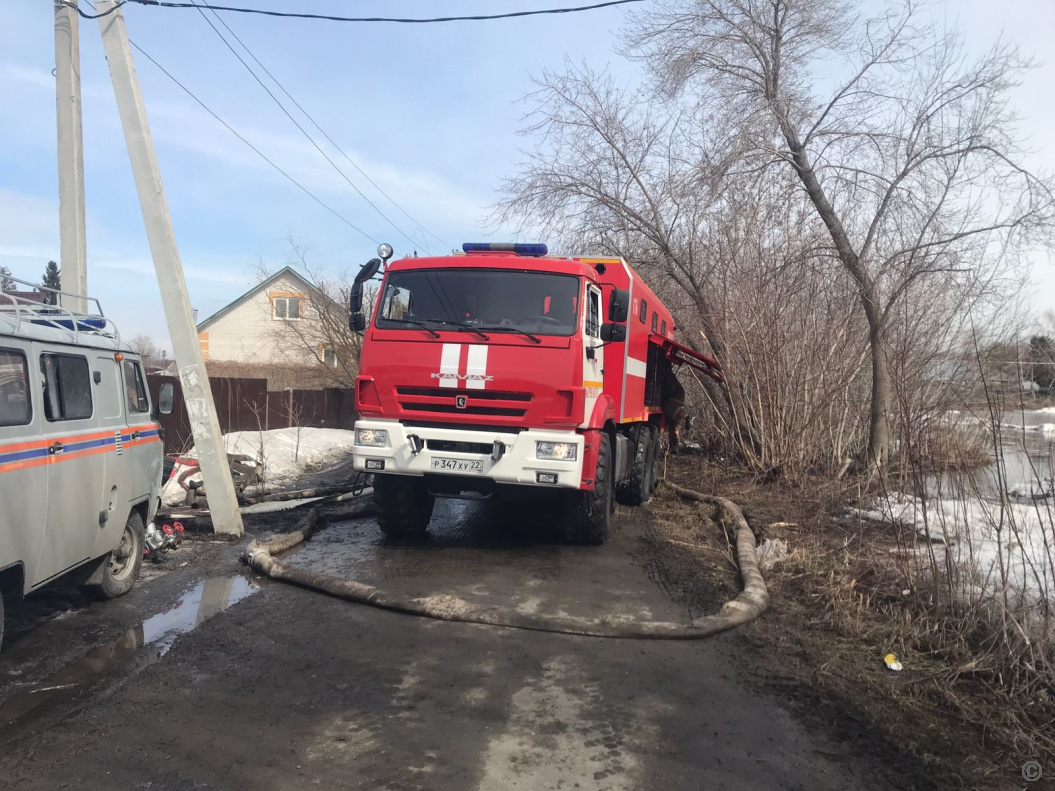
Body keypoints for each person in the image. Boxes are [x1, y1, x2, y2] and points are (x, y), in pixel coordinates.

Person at [657, 354, 687, 449]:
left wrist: (661, 393)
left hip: (676, 396)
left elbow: (670, 389)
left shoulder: (668, 375)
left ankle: (686, 416)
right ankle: (674, 446)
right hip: (675, 396)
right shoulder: (666, 374)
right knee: (672, 424)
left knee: (667, 408)